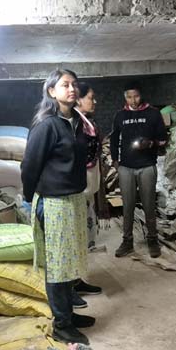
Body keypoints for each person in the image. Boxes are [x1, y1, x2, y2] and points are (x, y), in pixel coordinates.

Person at [21, 69, 98, 345]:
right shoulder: (47, 126)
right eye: (65, 85)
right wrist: (29, 198)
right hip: (54, 203)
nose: (72, 89)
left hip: (72, 199)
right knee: (57, 264)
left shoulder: (75, 122)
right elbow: (29, 165)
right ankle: (61, 324)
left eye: (74, 84)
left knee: (69, 261)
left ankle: (68, 314)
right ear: (51, 91)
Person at [110, 81, 167, 258]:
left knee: (149, 205)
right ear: (125, 97)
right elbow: (114, 139)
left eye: (136, 96)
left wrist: (150, 143)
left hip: (147, 166)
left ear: (141, 95)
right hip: (126, 167)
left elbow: (163, 139)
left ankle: (152, 240)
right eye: (129, 97)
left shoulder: (153, 113)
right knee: (127, 206)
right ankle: (127, 241)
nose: (133, 100)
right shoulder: (120, 115)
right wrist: (115, 160)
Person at [75, 82, 110, 255]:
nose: (94, 101)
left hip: (90, 176)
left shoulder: (88, 121)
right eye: (91, 98)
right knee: (78, 214)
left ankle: (88, 244)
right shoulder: (74, 124)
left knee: (88, 210)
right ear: (79, 100)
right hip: (78, 179)